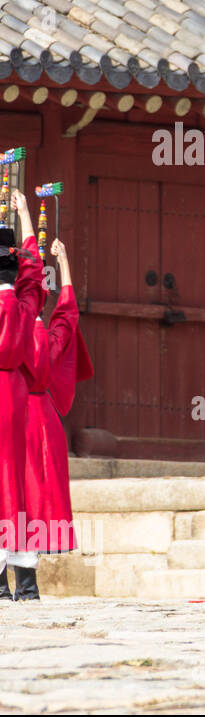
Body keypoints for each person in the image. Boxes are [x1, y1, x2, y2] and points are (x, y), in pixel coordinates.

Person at [11, 239, 90, 601]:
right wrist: (66, 262)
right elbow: (69, 313)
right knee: (34, 499)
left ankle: (3, 584)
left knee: (10, 496)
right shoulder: (49, 332)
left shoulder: (13, 324)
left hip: (13, 412)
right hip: (43, 422)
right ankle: (27, 585)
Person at [0, 198, 57, 600]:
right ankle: (27, 581)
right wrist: (25, 222)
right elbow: (34, 277)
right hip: (17, 396)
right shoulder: (23, 304)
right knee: (17, 482)